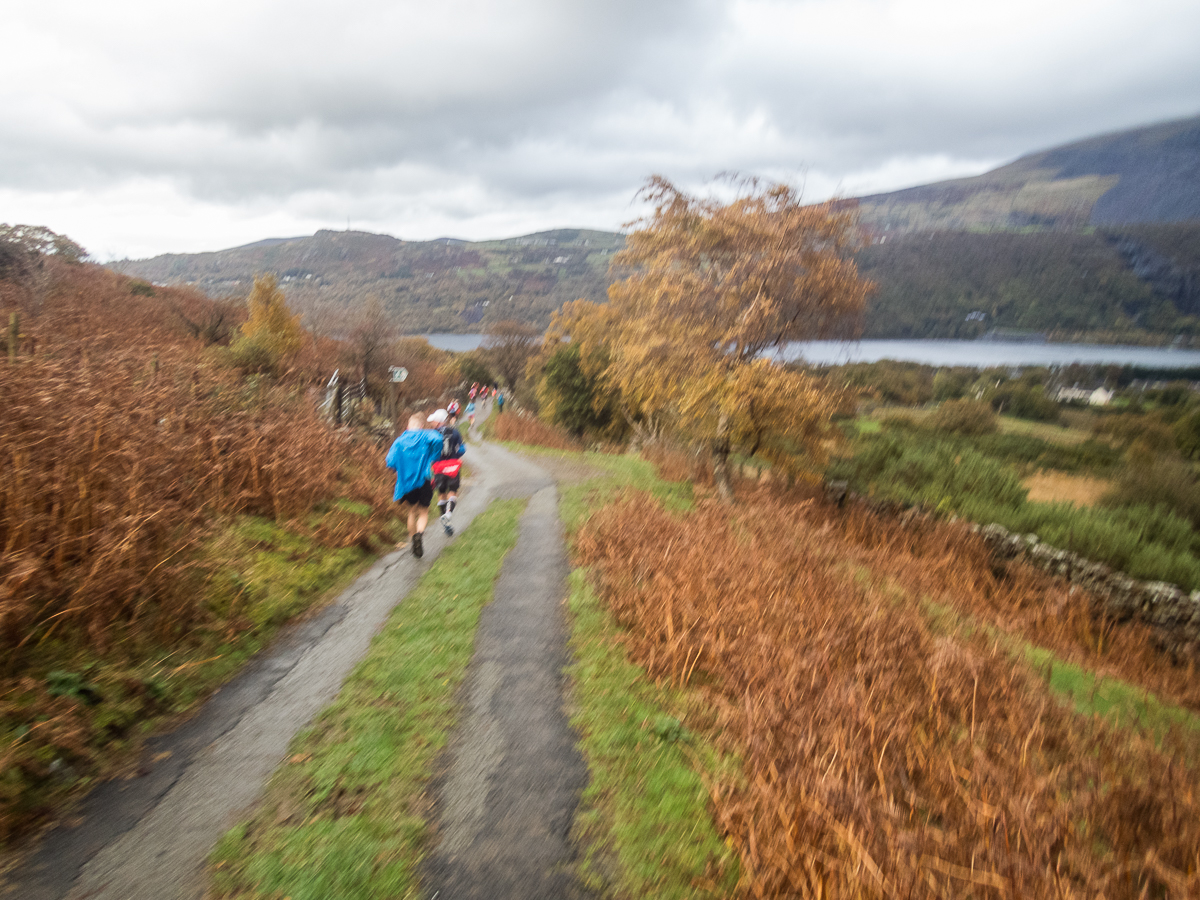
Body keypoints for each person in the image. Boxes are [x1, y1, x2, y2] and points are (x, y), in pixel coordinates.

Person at [385, 412, 445, 558]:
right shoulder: (424, 436)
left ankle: (413, 541)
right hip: (424, 480)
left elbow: (389, 461)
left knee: (412, 511)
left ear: (407, 426)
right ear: (421, 426)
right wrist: (434, 456)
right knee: (423, 512)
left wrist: (399, 467)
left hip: (406, 483)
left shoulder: (399, 441)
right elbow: (438, 438)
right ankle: (419, 534)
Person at [428, 408, 466, 535]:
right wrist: (455, 456)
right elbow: (462, 449)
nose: (431, 422)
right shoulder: (455, 432)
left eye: (433, 420)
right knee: (453, 491)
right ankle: (448, 515)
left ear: (439, 422)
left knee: (441, 492)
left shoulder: (431, 434)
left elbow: (429, 452)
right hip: (452, 467)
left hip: (438, 467)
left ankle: (445, 523)